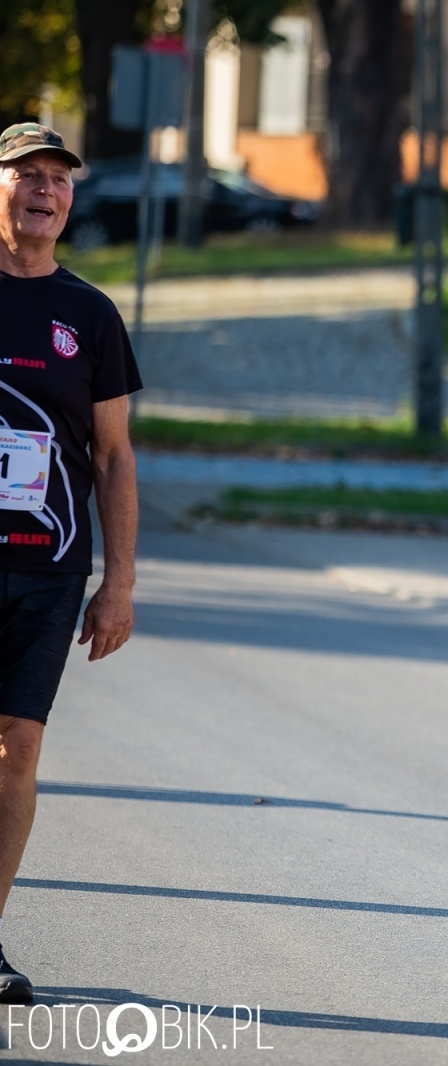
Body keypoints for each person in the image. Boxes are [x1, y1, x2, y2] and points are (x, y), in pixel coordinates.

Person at [0, 123, 141, 1003]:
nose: (43, 191)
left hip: (50, 571)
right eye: (26, 176)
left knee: (17, 751)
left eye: (58, 179)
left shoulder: (89, 315)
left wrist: (118, 581)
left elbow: (117, 457)